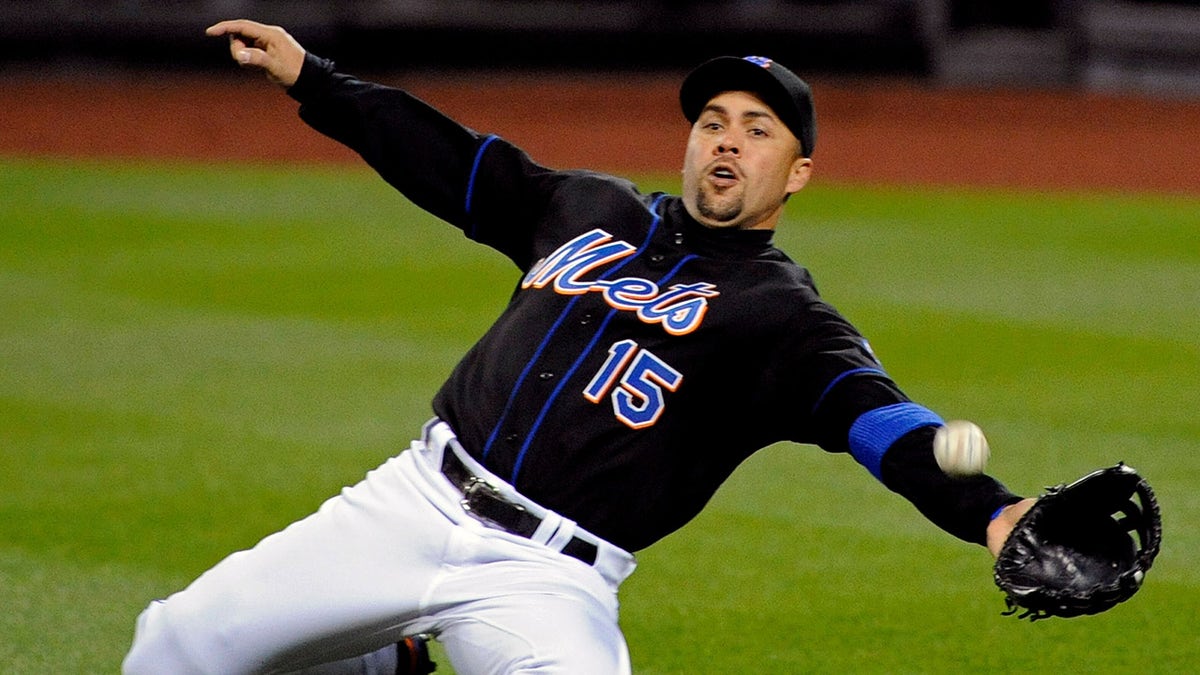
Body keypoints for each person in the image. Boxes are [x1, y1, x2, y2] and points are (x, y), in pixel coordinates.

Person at [123, 19, 1035, 674]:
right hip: (410, 503)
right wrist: (313, 78)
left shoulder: (782, 316)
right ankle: (382, 658)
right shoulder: (591, 206)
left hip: (544, 576)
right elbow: (449, 160)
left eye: (758, 130)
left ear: (796, 172)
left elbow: (879, 420)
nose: (727, 141)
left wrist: (992, 513)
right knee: (171, 647)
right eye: (713, 122)